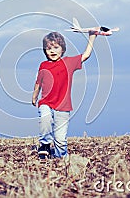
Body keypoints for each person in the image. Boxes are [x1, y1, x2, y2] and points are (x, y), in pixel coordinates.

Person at [32, 31, 97, 159]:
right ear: (45, 51)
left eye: (56, 47)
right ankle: (44, 145)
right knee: (45, 119)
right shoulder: (43, 65)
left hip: (63, 106)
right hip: (46, 102)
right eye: (49, 48)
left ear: (63, 49)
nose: (52, 51)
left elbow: (86, 55)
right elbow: (38, 82)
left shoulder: (69, 63)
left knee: (60, 140)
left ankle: (60, 159)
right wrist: (34, 96)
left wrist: (92, 36)